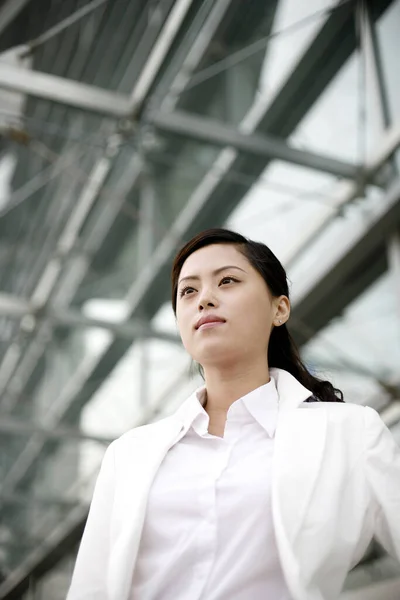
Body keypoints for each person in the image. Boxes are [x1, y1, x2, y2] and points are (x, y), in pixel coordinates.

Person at [67, 228, 400, 600]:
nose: (204, 299)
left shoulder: (350, 433)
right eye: (188, 291)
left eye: (227, 281)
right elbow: (90, 589)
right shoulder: (129, 454)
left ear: (280, 309)